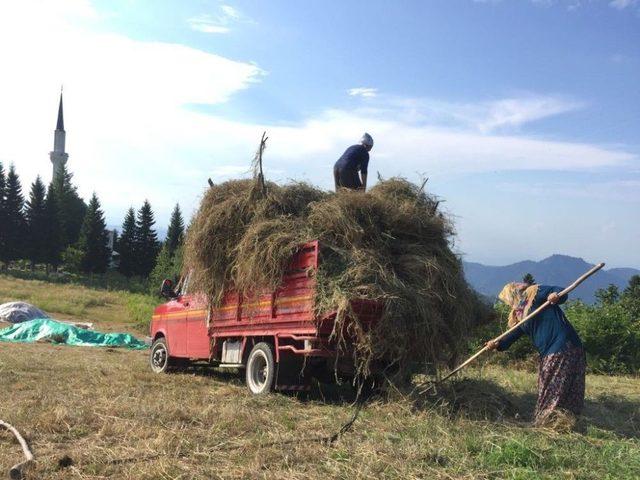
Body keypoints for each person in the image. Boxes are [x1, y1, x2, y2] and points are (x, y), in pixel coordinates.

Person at [486, 282, 586, 426]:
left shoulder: (535, 293)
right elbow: (510, 337)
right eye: (515, 284)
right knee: (552, 384)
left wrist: (554, 296)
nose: (520, 283)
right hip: (556, 350)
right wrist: (496, 344)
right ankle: (556, 421)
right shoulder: (521, 316)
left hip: (562, 346)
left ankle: (550, 421)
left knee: (555, 385)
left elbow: (560, 291)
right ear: (513, 294)